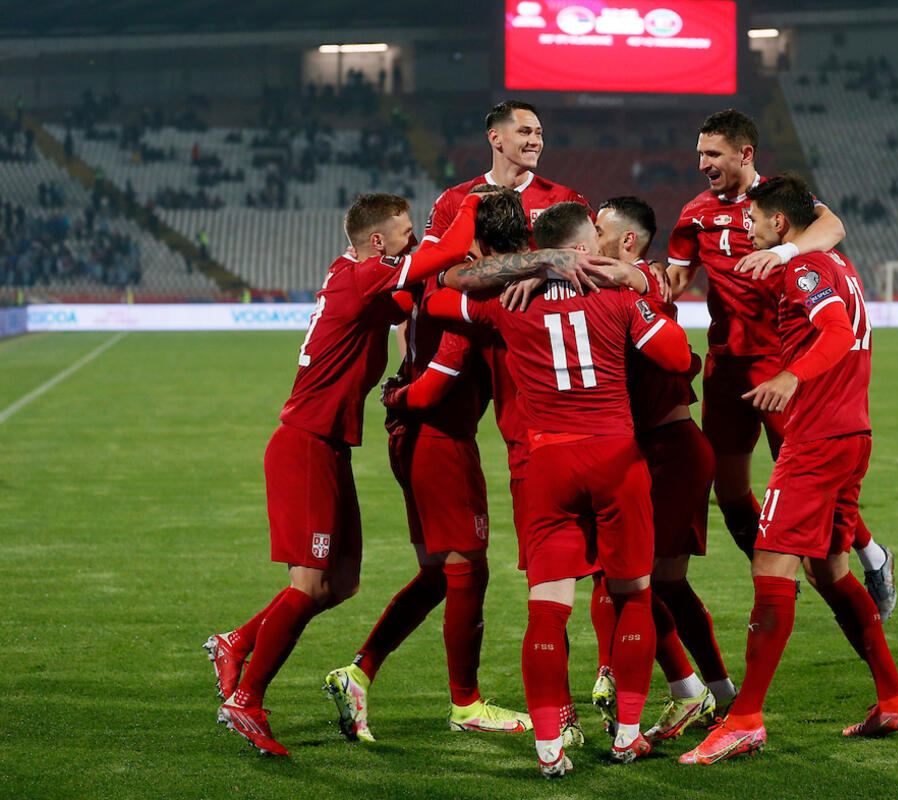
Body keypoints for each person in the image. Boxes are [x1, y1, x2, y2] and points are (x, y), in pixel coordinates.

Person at [203, 189, 606, 757]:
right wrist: (480, 214)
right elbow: (440, 298)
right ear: (377, 241)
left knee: (351, 583)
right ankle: (458, 704)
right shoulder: (398, 278)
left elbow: (417, 296)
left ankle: (295, 657)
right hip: (387, 439)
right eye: (407, 231)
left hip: (355, 441)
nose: (415, 239)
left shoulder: (376, 278)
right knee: (448, 572)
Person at [425, 201, 693, 777]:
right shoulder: (618, 298)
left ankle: (549, 747)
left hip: (547, 463)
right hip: (616, 457)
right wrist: (636, 290)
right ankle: (627, 736)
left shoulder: (508, 302)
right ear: (581, 248)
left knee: (547, 610)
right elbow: (678, 357)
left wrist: (528, 271)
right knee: (633, 595)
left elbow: (439, 295)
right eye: (593, 236)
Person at [681, 175, 898, 766]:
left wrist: (792, 376)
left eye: (754, 219)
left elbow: (836, 331)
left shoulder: (803, 269)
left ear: (779, 222)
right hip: (851, 433)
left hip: (815, 439)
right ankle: (895, 700)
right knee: (830, 572)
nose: (747, 227)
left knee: (771, 567)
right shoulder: (838, 263)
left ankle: (744, 719)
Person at [322, 190, 539, 743]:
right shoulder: (462, 288)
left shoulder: (434, 279)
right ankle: (466, 703)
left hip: (418, 439)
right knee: (468, 568)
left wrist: (397, 396)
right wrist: (400, 396)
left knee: (439, 573)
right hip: (440, 440)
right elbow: (434, 385)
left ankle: (358, 673)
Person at [665, 109, 896, 620]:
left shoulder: (777, 202)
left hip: (782, 367)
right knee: (729, 491)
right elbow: (676, 281)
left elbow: (833, 226)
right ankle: (773, 576)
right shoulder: (695, 213)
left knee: (813, 480)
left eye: (713, 154)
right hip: (727, 368)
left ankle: (871, 555)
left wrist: (786, 251)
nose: (702, 163)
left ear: (744, 154)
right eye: (699, 153)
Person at [591, 196, 737, 738]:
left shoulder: (643, 282)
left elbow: (646, 283)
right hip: (663, 449)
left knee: (633, 579)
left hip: (671, 452)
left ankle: (684, 690)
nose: (591, 238)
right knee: (667, 584)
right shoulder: (630, 285)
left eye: (599, 230)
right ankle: (720, 692)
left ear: (627, 240)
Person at [423, 100, 589, 246]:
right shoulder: (453, 200)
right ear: (495, 138)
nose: (535, 141)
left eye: (538, 133)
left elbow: (597, 255)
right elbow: (428, 266)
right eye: (524, 132)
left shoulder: (565, 199)